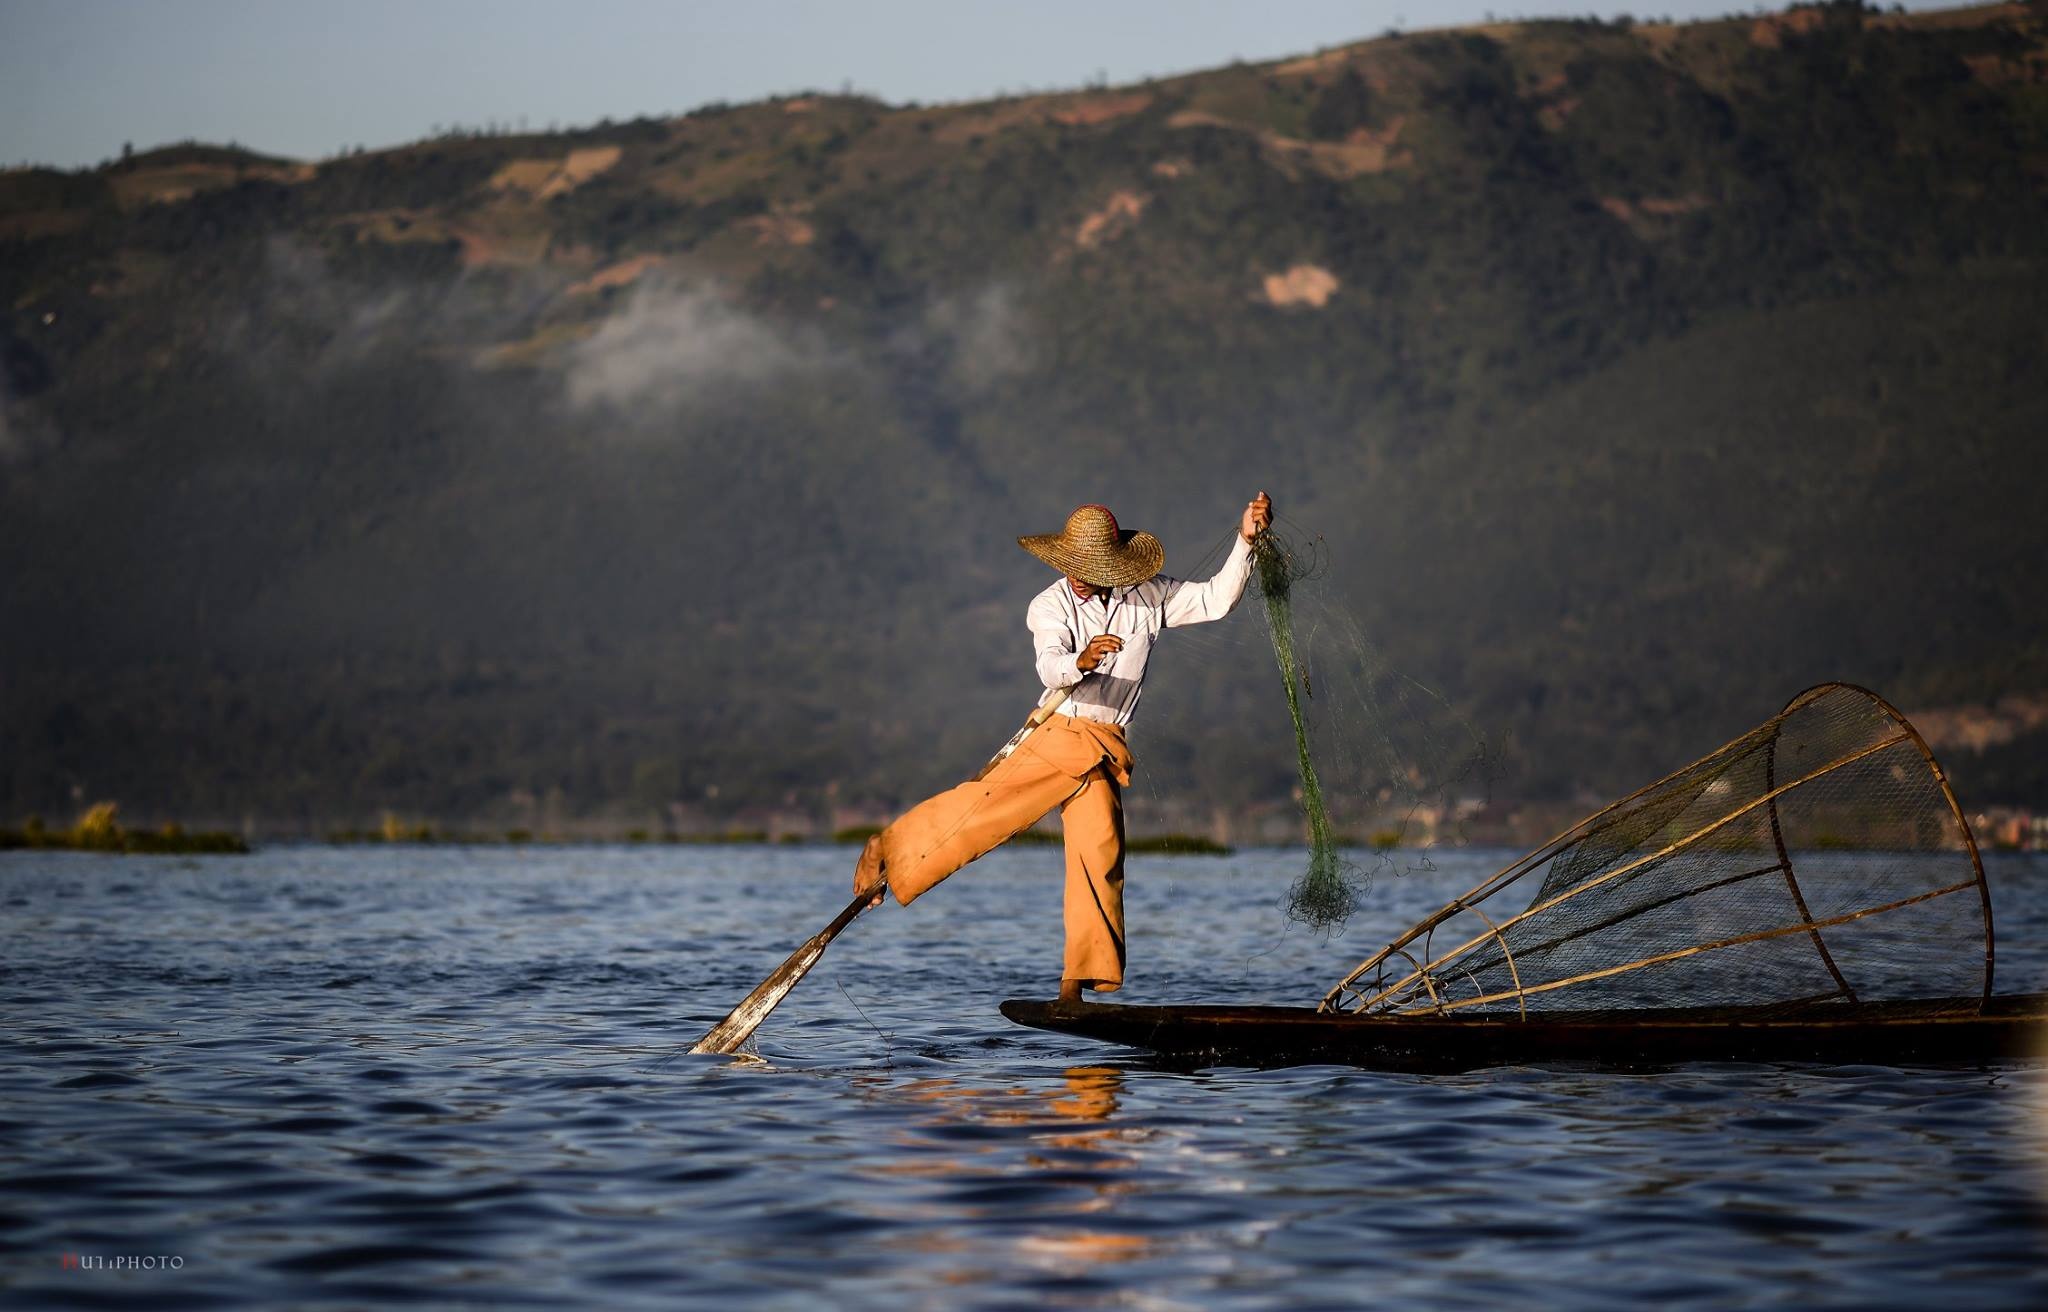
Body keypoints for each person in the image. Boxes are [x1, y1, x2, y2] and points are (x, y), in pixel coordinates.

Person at [854, 492, 1274, 1002]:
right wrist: (1083, 660)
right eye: (1072, 565)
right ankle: (887, 847)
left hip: (1104, 745)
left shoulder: (1147, 594)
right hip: (1059, 732)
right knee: (981, 811)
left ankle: (1074, 985)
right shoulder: (1048, 605)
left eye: (1090, 567)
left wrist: (1246, 540)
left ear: (1113, 567)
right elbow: (1050, 667)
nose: (1079, 575)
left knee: (1100, 857)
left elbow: (1214, 600)